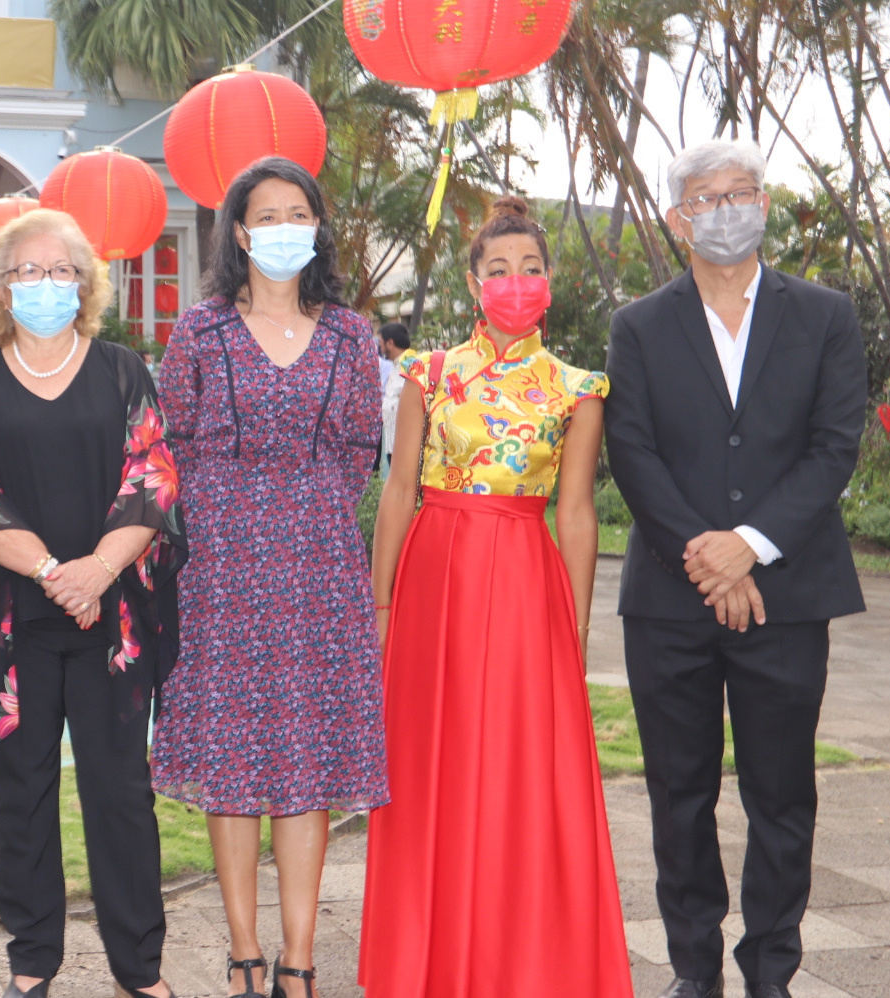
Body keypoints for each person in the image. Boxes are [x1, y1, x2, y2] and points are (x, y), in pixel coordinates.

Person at [606, 140, 867, 998]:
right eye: (707, 198)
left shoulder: (825, 314)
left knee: (780, 797)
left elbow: (834, 446)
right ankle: (693, 973)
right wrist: (707, 556)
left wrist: (747, 544)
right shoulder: (638, 324)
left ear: (763, 204)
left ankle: (770, 974)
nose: (727, 208)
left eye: (742, 192)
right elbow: (632, 453)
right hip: (668, 604)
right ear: (679, 218)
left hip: (787, 597)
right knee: (678, 799)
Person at [360, 196, 634, 998]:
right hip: (432, 579)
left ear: (549, 279)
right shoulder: (428, 372)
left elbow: (576, 512)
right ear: (473, 282)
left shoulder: (577, 387)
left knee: (520, 771)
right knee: (426, 770)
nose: (515, 282)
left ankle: (522, 964)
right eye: (498, 270)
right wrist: (381, 606)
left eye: (530, 269)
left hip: (523, 584)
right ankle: (427, 963)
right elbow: (399, 489)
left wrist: (572, 630)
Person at [150, 157, 387, 998]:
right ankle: (243, 950)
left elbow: (362, 451)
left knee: (306, 766)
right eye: (266, 215)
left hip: (320, 574)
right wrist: (241, 518)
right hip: (219, 577)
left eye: (300, 212)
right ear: (240, 233)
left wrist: (300, 516)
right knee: (233, 764)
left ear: (316, 227)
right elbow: (170, 445)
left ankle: (298, 959)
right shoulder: (201, 332)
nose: (284, 227)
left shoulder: (352, 336)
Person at [0, 208, 183, 998]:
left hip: (113, 622)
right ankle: (32, 958)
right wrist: (54, 573)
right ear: (1, 289)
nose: (46, 285)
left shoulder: (120, 370)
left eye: (61, 270)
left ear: (85, 283)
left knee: (119, 794)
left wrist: (98, 572)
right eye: (28, 272)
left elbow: (152, 475)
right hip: (14, 628)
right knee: (22, 793)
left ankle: (137, 968)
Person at [376, 322, 411, 476]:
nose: (380, 348)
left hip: (405, 443)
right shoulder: (395, 366)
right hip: (393, 441)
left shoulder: (412, 365)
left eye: (381, 343)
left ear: (390, 343)